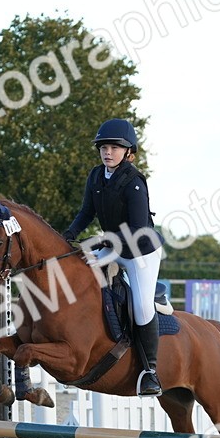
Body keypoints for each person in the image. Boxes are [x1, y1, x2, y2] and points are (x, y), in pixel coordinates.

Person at [62, 118, 164, 397]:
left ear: (128, 151)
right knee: (79, 271)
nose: (108, 152)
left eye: (115, 148)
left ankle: (150, 372)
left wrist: (101, 243)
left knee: (142, 306)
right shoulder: (96, 176)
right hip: (113, 244)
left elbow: (136, 228)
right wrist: (68, 234)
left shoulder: (134, 183)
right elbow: (86, 212)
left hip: (140, 251)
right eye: (104, 147)